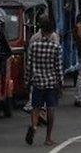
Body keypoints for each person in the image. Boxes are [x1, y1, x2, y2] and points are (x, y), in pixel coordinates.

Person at [25, 16, 62, 147]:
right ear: (51, 30)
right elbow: (58, 66)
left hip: (37, 81)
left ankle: (34, 127)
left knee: (35, 108)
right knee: (51, 109)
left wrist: (27, 80)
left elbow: (29, 65)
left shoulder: (34, 44)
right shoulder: (55, 46)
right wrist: (60, 82)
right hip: (51, 82)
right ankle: (48, 138)